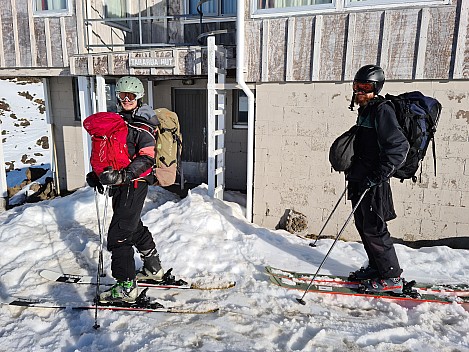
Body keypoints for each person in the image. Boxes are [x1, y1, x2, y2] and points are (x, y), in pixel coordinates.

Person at [86, 76, 165, 303]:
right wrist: (99, 175)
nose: (127, 100)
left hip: (135, 183)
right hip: (121, 184)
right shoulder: (119, 121)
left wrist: (125, 175)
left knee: (119, 236)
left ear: (139, 97)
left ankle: (126, 288)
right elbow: (113, 154)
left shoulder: (143, 124)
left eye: (131, 96)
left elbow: (147, 157)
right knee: (132, 226)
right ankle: (153, 268)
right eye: (122, 96)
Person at [346, 65, 410, 293]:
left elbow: (399, 147)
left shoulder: (382, 110)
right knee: (363, 225)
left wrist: (378, 175)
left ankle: (392, 277)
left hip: (374, 181)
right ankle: (377, 267)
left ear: (376, 88)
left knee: (375, 228)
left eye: (365, 87)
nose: (360, 91)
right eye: (357, 86)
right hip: (360, 179)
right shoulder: (366, 109)